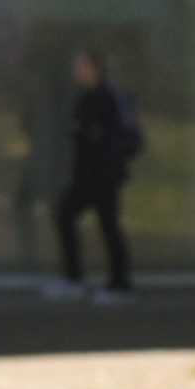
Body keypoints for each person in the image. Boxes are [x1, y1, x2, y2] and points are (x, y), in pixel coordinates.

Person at [43, 49, 139, 305]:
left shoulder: (108, 98)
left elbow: (112, 138)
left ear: (94, 68)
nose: (77, 71)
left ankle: (120, 285)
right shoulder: (86, 98)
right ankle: (75, 279)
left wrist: (103, 153)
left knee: (108, 226)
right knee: (66, 217)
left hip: (104, 177)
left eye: (81, 66)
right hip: (86, 176)